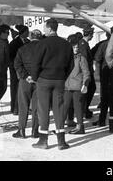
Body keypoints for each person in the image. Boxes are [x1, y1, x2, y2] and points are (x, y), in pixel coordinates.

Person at [31, 18, 74, 150]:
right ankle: (61, 141)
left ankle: (43, 140)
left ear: (49, 28)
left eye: (45, 27)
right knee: (59, 109)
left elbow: (35, 63)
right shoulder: (66, 44)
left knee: (43, 109)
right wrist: (63, 76)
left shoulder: (42, 44)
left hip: (44, 79)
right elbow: (71, 64)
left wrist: (35, 77)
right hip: (60, 79)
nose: (44, 29)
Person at [12, 29, 42, 139]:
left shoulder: (22, 49)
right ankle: (35, 130)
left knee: (23, 105)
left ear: (30, 36)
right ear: (40, 37)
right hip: (39, 81)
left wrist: (26, 76)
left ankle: (21, 130)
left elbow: (17, 64)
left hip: (25, 81)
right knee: (37, 107)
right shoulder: (44, 49)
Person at [92, 25, 113, 127]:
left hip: (106, 74)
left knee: (104, 99)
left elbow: (97, 59)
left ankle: (102, 120)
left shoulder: (104, 45)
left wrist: (97, 74)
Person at [64, 34, 90, 135]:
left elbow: (86, 72)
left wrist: (85, 83)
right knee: (64, 106)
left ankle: (80, 126)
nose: (76, 49)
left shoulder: (81, 58)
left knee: (78, 107)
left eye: (77, 47)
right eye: (74, 47)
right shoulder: (66, 57)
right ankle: (60, 126)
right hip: (67, 86)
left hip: (78, 86)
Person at [8, 25, 30, 115]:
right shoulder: (14, 43)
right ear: (23, 32)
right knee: (15, 88)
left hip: (25, 69)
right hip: (15, 69)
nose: (28, 33)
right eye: (27, 31)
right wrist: (14, 67)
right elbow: (10, 56)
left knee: (24, 88)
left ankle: (24, 107)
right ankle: (14, 108)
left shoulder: (28, 42)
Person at [79, 26, 95, 119]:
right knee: (89, 89)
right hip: (87, 71)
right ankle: (84, 108)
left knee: (90, 89)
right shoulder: (83, 44)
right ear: (90, 35)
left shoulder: (83, 43)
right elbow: (84, 59)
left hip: (88, 71)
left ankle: (85, 108)